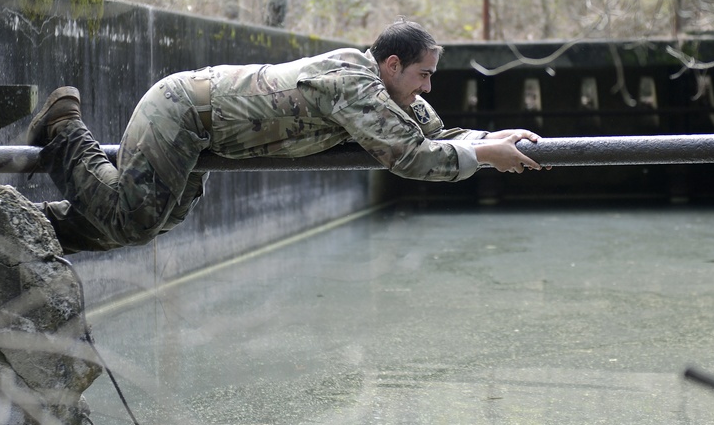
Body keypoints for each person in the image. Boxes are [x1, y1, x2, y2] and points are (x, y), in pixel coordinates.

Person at [27, 19, 543, 253]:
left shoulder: (390, 94)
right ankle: (64, 128)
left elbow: (437, 132)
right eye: (423, 75)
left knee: (162, 219)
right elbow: (411, 158)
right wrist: (482, 156)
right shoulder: (355, 85)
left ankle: (33, 230)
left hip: (204, 132)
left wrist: (491, 136)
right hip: (184, 110)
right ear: (391, 64)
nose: (428, 86)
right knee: (135, 220)